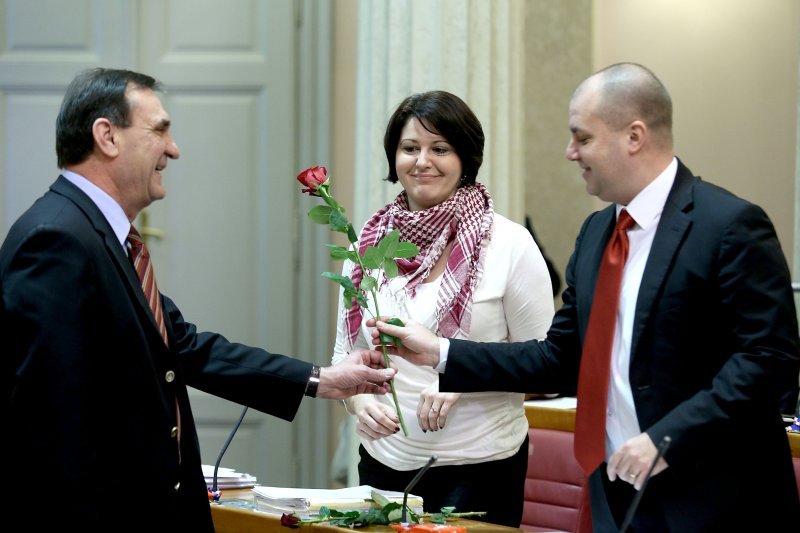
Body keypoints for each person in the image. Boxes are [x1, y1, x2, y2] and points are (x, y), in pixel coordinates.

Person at [373, 63, 800, 532]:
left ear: (634, 137)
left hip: (717, 497)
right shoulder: (598, 232)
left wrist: (667, 437)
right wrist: (442, 352)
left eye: (583, 137)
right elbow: (559, 358)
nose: (570, 152)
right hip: (616, 491)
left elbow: (768, 358)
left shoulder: (729, 225)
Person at [0, 67, 397, 532]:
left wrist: (324, 380)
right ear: (106, 136)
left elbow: (183, 348)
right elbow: (51, 425)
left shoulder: (98, 235)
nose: (173, 148)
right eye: (160, 130)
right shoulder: (57, 239)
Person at [331, 90, 555, 527]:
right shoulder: (366, 246)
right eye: (409, 148)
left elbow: (546, 367)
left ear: (466, 158)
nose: (422, 161)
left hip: (480, 467)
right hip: (381, 463)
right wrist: (359, 404)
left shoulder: (509, 245)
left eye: (440, 149)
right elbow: (344, 358)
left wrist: (467, 377)